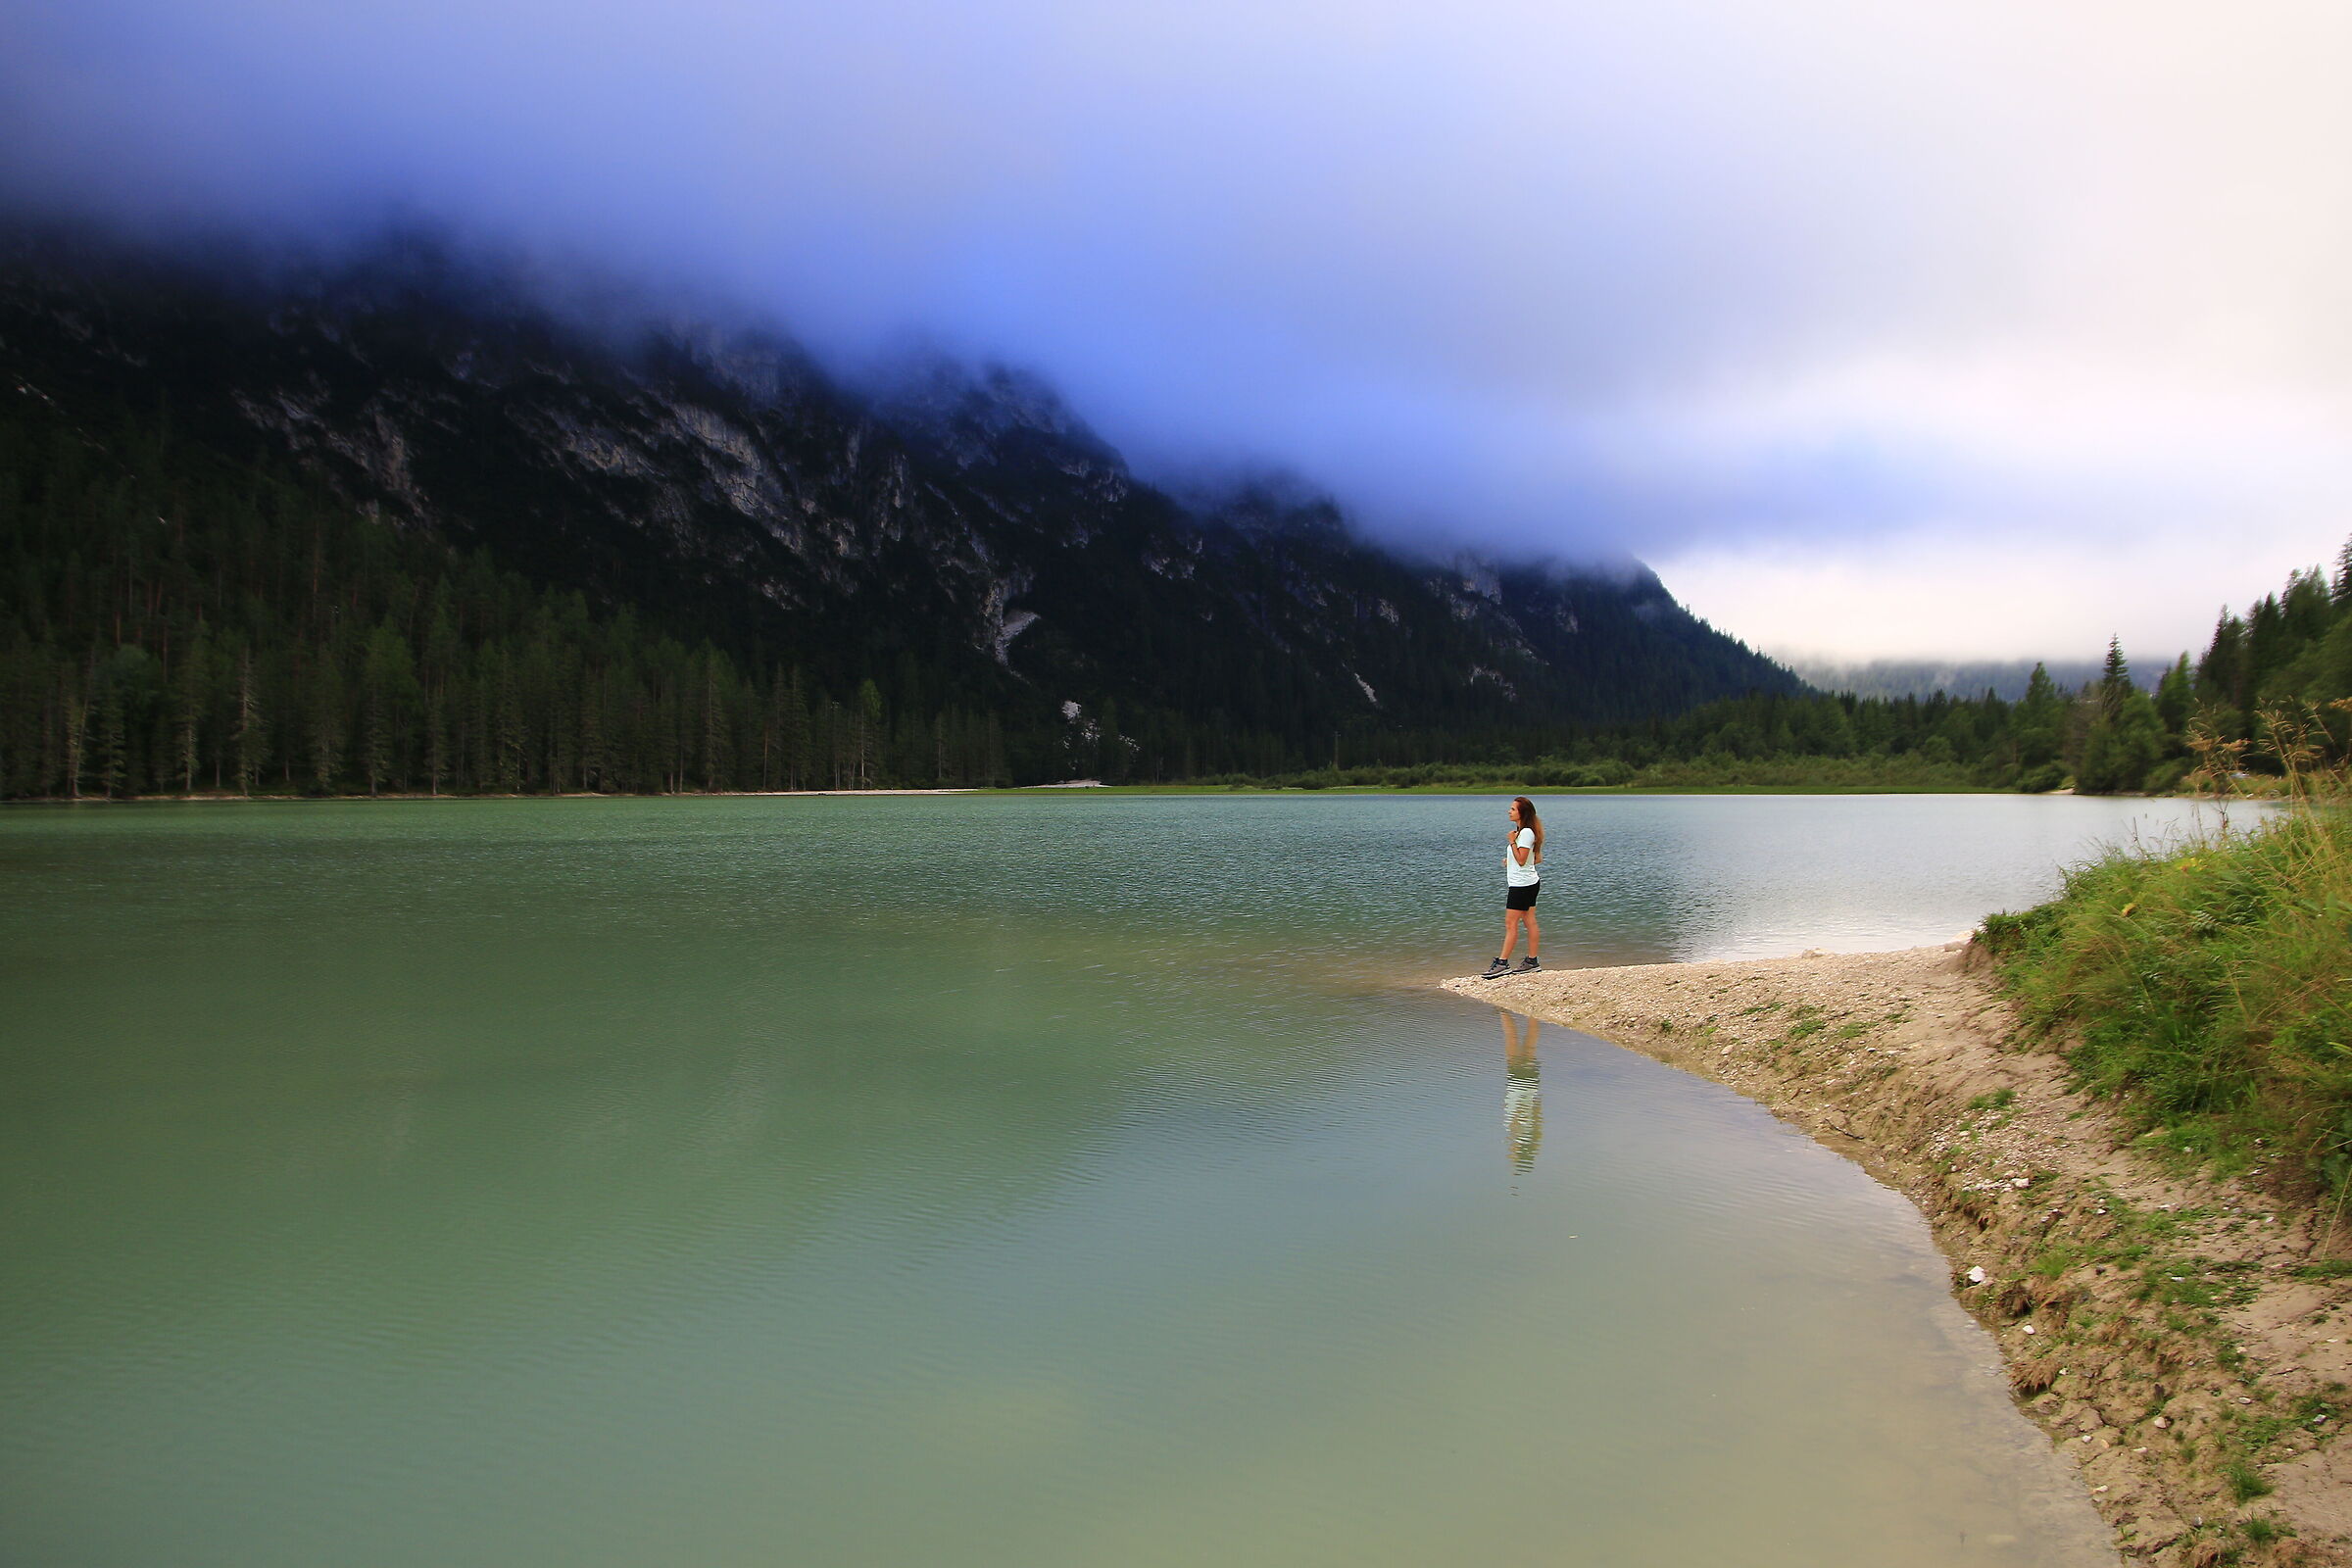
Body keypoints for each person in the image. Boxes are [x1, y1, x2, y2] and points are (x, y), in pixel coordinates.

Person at [1481, 797, 1543, 979]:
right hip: (1528, 883)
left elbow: (1522, 860)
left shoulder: (1525, 833)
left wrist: (1512, 842)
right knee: (1529, 921)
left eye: (1513, 809)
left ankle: (1502, 963)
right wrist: (1511, 861)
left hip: (1521, 885)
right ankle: (1532, 962)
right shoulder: (1525, 832)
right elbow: (1535, 859)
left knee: (1511, 923)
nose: (1509, 811)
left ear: (1522, 813)